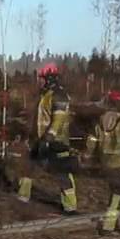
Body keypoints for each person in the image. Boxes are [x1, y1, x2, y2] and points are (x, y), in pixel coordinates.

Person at [16, 63, 78, 214]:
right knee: (28, 168)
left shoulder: (59, 95)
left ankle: (70, 208)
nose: (39, 81)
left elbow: (58, 120)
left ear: (49, 78)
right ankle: (22, 199)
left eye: (42, 79)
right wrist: (29, 136)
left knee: (62, 174)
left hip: (56, 143)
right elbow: (38, 119)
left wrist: (48, 138)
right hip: (41, 140)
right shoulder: (45, 95)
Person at [86, 90, 120, 233]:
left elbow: (91, 141)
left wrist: (88, 156)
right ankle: (111, 226)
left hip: (106, 163)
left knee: (119, 193)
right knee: (119, 194)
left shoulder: (99, 121)